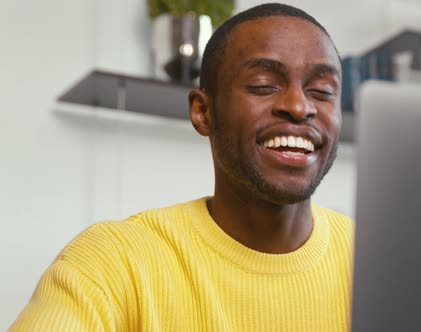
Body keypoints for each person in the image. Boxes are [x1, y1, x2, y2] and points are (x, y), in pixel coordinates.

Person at [10, 3, 353, 331]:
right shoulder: (113, 262)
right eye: (263, 86)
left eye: (322, 91)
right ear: (203, 112)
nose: (298, 106)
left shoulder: (375, 263)